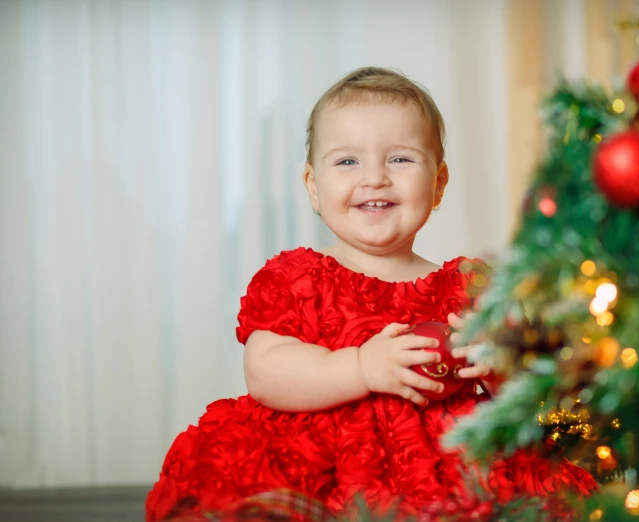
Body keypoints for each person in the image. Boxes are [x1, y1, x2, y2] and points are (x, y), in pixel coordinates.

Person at [146, 67, 596, 522]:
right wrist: (360, 367)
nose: (375, 177)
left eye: (400, 159)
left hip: (443, 469)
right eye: (347, 161)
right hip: (321, 467)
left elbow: (535, 399)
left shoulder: (469, 288)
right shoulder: (298, 278)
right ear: (313, 187)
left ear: (438, 184)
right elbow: (264, 372)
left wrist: (501, 367)